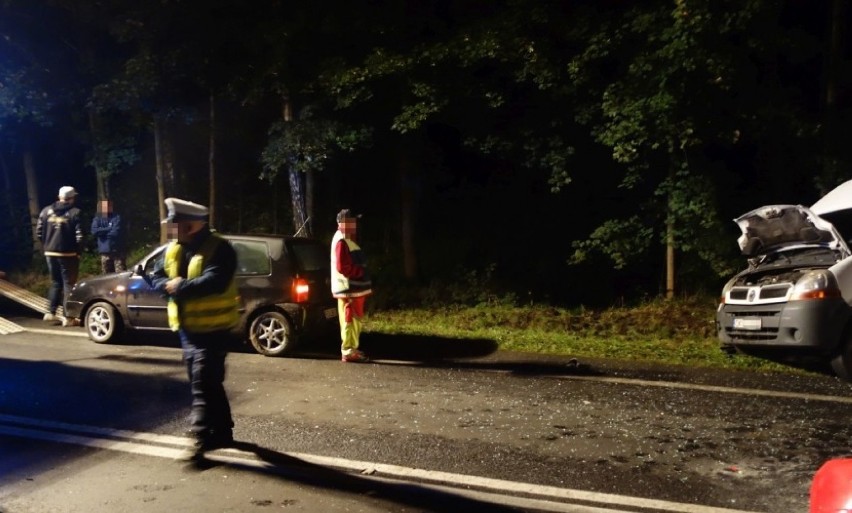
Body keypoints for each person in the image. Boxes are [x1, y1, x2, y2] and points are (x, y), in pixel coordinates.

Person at [147, 197, 239, 459]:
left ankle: (198, 437)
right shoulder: (173, 248)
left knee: (201, 380)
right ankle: (222, 432)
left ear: (192, 225)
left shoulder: (220, 248)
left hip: (215, 328)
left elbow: (216, 281)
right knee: (209, 381)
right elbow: (157, 275)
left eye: (174, 224)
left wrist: (179, 287)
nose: (169, 228)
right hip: (187, 329)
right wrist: (164, 286)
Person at [36, 186, 83, 327]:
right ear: (70, 198)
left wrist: (47, 245)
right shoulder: (75, 213)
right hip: (68, 253)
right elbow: (79, 236)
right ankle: (68, 317)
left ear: (59, 196)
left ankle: (50, 312)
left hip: (50, 253)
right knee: (69, 284)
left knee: (56, 282)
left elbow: (39, 232)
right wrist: (78, 252)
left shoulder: (45, 211)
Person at [330, 208, 372, 363]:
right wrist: (360, 272)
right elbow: (343, 267)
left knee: (354, 319)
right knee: (350, 319)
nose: (355, 225)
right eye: (352, 221)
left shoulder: (346, 237)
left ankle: (351, 348)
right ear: (343, 223)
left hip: (353, 289)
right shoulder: (341, 239)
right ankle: (348, 350)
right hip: (349, 289)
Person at [91, 198, 126, 274]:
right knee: (106, 276)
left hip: (117, 251)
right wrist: (109, 228)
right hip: (104, 251)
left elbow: (116, 232)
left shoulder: (116, 217)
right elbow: (94, 231)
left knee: (120, 275)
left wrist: (102, 233)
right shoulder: (97, 219)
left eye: (108, 206)